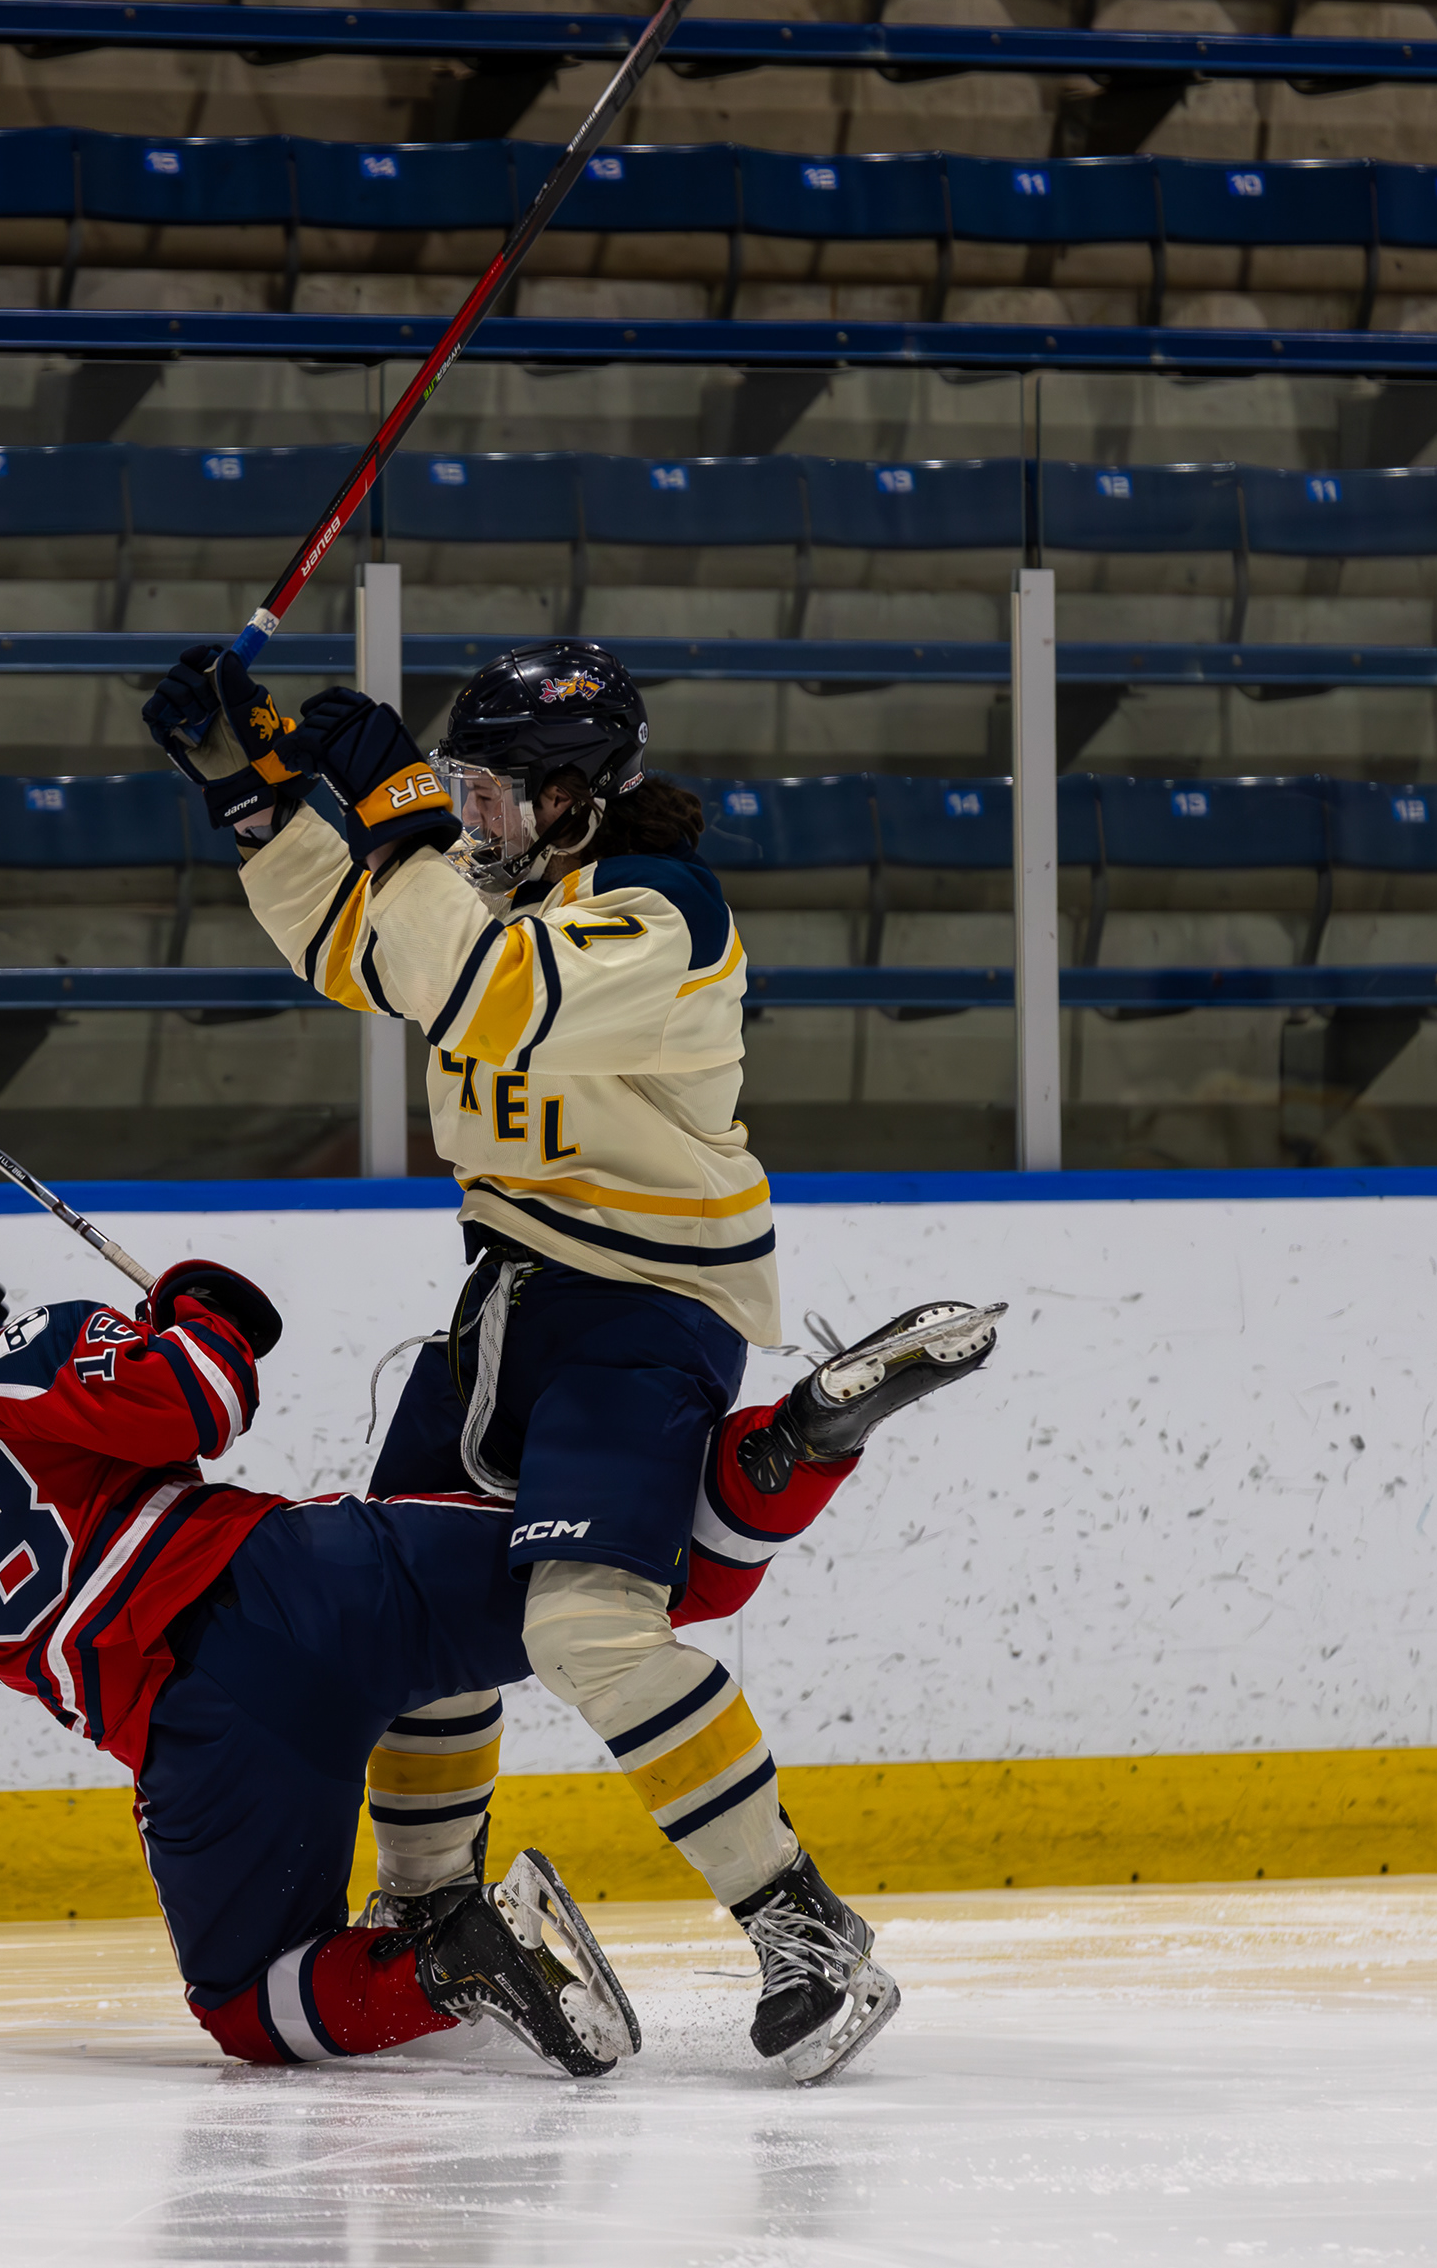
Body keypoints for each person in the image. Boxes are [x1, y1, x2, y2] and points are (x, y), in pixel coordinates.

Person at [145, 634, 989, 2084]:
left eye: (490, 794)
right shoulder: (491, 889)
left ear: (580, 794)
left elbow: (480, 994)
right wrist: (254, 791)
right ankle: (430, 1911)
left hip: (649, 1308)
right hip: (504, 1307)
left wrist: (399, 816)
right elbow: (357, 952)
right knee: (395, 1616)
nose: (470, 819)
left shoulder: (662, 911)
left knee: (587, 1627)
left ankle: (804, 1927)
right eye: (459, 790)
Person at [0, 1226, 998, 2083]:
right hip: (302, 1589)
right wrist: (187, 1299)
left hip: (198, 1745)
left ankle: (450, 1955)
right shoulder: (11, 1365)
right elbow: (206, 1391)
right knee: (615, 1578)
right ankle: (794, 1447)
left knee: (245, 2007)